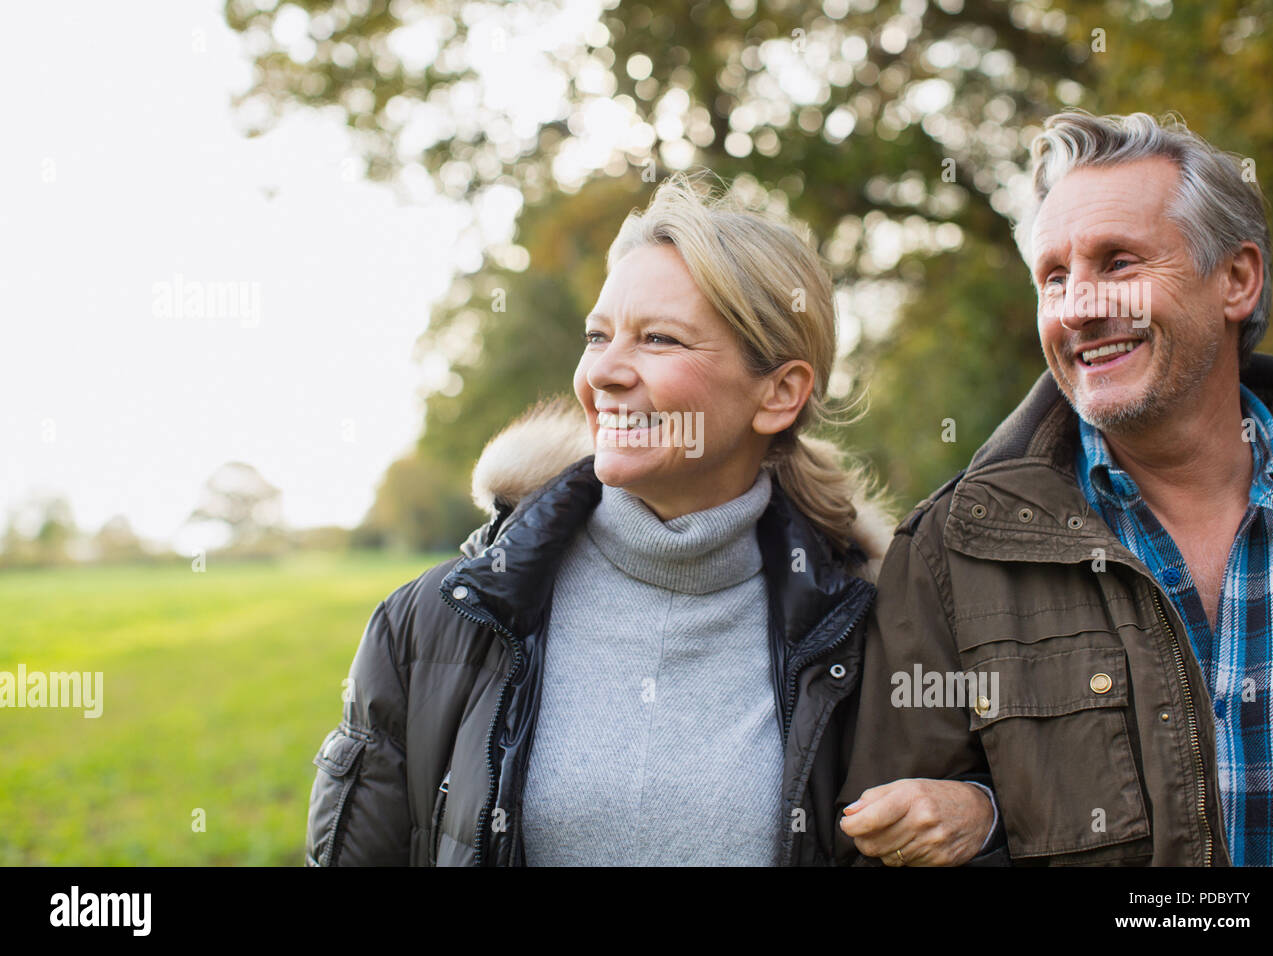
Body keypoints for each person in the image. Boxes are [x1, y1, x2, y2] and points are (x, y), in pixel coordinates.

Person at [305, 173, 1001, 866]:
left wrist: (982, 815)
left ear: (780, 393)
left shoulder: (874, 633)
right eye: (597, 335)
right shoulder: (432, 625)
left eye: (658, 339)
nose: (604, 372)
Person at [838, 109, 1273, 866]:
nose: (1079, 309)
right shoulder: (949, 555)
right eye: (1055, 277)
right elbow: (874, 847)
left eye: (1118, 263)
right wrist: (986, 825)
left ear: (1237, 280)